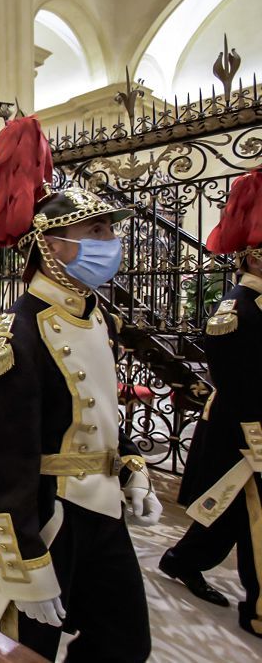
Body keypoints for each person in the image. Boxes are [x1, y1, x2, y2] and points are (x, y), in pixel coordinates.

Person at [0, 116, 161, 661]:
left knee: (125, 643)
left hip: (104, 513)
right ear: (51, 245)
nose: (111, 244)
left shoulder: (98, 318)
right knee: (21, 652)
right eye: (98, 232)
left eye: (111, 232)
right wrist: (22, 559)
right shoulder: (18, 332)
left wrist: (131, 466)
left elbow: (102, 411)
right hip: (47, 520)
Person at [159, 168, 262, 638]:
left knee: (227, 515)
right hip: (242, 431)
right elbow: (238, 379)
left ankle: (181, 559)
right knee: (245, 518)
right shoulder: (236, 308)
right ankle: (256, 608)